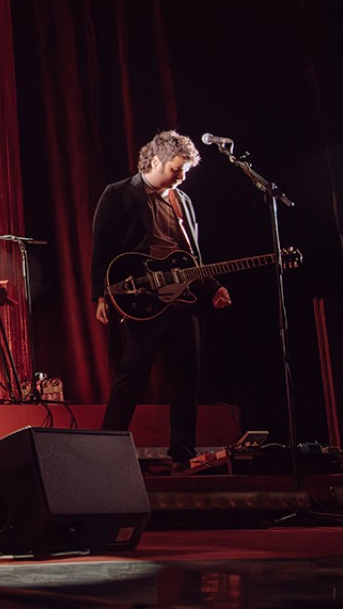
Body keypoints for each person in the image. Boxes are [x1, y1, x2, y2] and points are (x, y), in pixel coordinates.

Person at [92, 129, 232, 468]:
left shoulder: (182, 201)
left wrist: (212, 287)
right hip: (141, 298)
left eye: (186, 171)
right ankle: (108, 451)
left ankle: (182, 452)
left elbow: (192, 255)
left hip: (182, 300)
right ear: (155, 161)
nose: (182, 177)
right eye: (177, 169)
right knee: (132, 374)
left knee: (187, 376)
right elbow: (102, 248)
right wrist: (101, 296)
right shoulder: (118, 194)